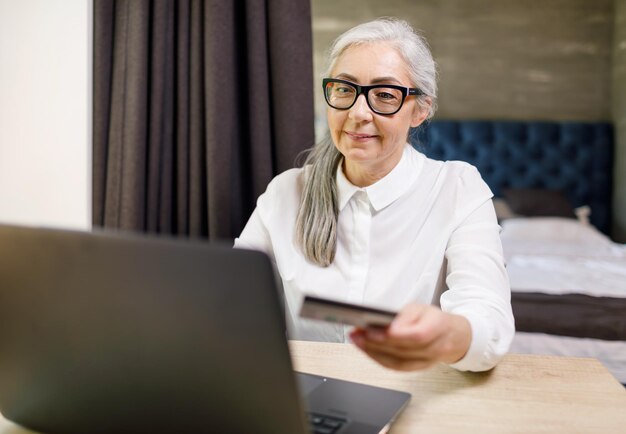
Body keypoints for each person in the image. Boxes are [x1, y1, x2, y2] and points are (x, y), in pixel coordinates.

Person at [235, 17, 514, 372]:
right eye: (344, 89)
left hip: (414, 396)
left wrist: (448, 334)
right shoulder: (285, 192)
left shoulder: (458, 189)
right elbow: (229, 299)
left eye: (384, 95)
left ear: (420, 109)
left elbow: (488, 319)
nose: (358, 113)